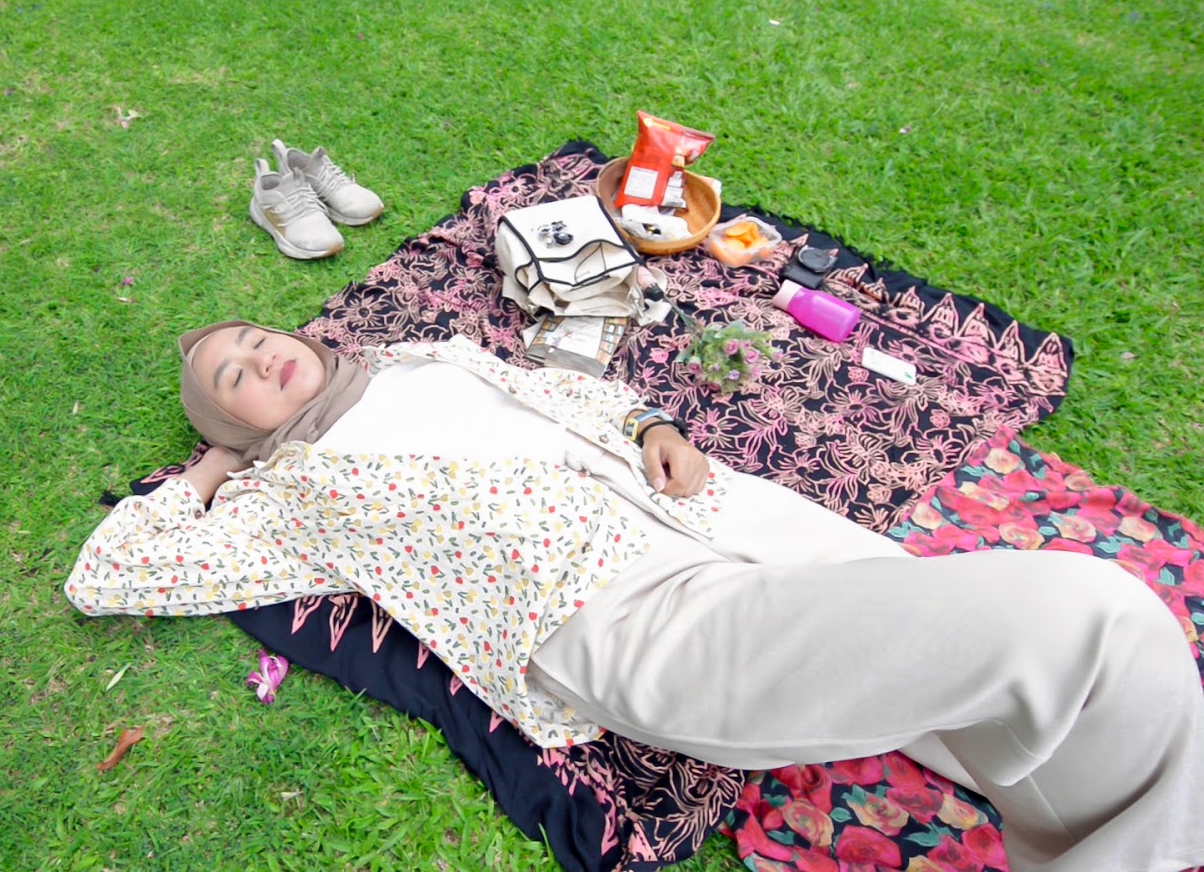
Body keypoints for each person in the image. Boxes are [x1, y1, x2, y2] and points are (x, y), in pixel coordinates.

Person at [65, 320, 1204, 872]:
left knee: (1029, 682)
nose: (261, 362)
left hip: (720, 517)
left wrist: (653, 426)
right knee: (1088, 621)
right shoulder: (293, 495)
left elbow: (561, 387)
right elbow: (108, 573)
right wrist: (213, 470)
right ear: (234, 425)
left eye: (259, 342)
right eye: (231, 383)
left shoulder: (424, 358)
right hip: (634, 622)